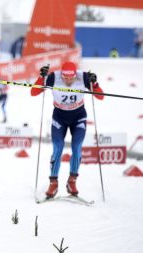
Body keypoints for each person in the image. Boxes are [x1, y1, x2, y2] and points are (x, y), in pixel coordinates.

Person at [31, 62, 104, 199]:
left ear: (75, 75)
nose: (68, 80)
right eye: (65, 78)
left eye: (71, 78)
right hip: (59, 117)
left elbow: (100, 97)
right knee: (57, 147)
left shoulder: (84, 77)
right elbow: (33, 92)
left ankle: (72, 181)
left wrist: (94, 84)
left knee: (77, 147)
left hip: (78, 117)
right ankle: (53, 182)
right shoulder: (53, 77)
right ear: (62, 75)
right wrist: (41, 78)